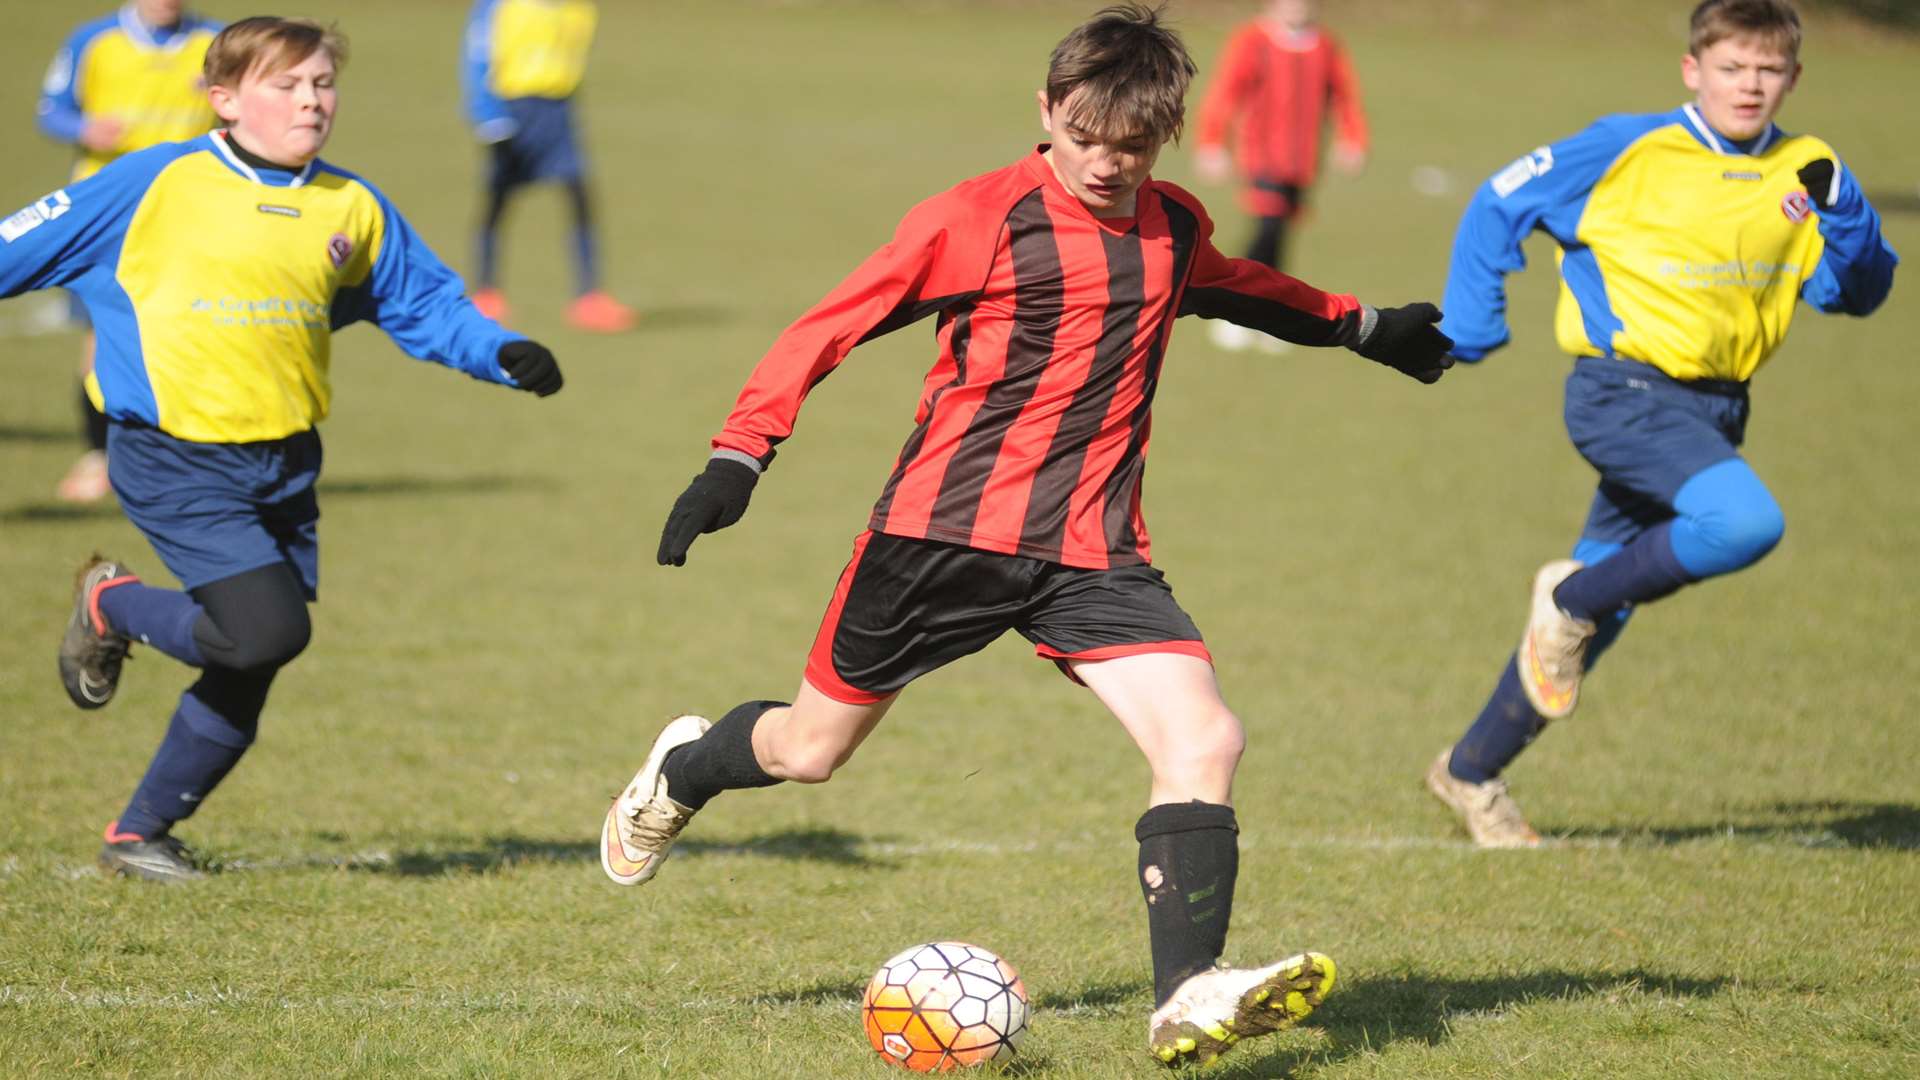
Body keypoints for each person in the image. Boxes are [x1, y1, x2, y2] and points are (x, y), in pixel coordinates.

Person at [599, 4, 1451, 1067]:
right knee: (808, 752)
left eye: (1131, 147)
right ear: (1046, 110)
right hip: (938, 537)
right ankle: (685, 769)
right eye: (1084, 137)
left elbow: (1245, 289)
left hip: (1093, 551)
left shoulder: (1173, 225)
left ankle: (1185, 994)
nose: (1104, 163)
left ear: (1165, 137)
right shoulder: (975, 218)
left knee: (1207, 739)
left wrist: (1366, 328)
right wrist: (740, 455)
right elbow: (829, 324)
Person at [2, 16, 565, 883]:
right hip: (172, 456)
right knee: (264, 632)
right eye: (285, 85)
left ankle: (139, 833)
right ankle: (110, 603)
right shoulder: (152, 183)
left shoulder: (350, 204)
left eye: (321, 84)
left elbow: (424, 305)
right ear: (223, 101)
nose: (311, 100)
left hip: (284, 462)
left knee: (249, 660)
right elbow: (15, 247)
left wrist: (497, 351)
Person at [1423, 0, 1896, 849]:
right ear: (1693, 70)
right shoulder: (1625, 146)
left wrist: (1849, 215)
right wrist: (1474, 322)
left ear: (1793, 78)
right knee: (1743, 523)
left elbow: (1856, 293)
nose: (1749, 85)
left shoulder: (1810, 164)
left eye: (1767, 69)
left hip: (1719, 406)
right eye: (1731, 66)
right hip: (1621, 393)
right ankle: (1565, 598)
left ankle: (1470, 770)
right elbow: (1498, 201)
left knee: (1605, 615)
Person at [35, 0, 223, 503]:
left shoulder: (216, 44)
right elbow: (50, 110)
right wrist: (84, 129)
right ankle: (99, 456)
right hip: (108, 215)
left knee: (199, 329)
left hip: (191, 212)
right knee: (103, 338)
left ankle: (185, 459)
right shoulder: (93, 40)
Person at [1192, 0, 1367, 352]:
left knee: (1280, 234)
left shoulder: (1325, 45)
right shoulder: (1251, 41)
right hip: (1260, 156)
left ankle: (1270, 316)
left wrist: (1353, 138)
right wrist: (1211, 142)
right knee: (1268, 231)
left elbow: (1344, 96)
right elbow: (1224, 93)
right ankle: (1237, 313)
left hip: (1301, 162)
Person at [461, 0, 637, 333]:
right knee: (497, 201)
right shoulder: (498, 6)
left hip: (558, 112)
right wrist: (489, 115)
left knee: (579, 196)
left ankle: (589, 297)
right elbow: (476, 56)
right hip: (512, 109)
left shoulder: (580, 10)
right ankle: (485, 292)